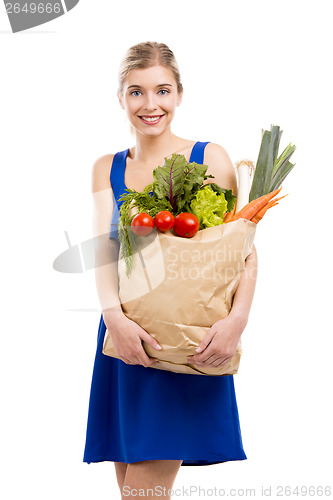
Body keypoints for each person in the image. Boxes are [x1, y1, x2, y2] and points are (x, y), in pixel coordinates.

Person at [83, 41, 258, 498]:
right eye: (136, 92)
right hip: (129, 340)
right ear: (120, 97)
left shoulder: (210, 159)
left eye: (162, 91)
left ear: (179, 93)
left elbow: (240, 249)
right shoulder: (108, 167)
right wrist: (114, 320)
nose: (150, 104)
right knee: (130, 489)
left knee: (142, 492)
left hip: (184, 339)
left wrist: (236, 321)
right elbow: (104, 250)